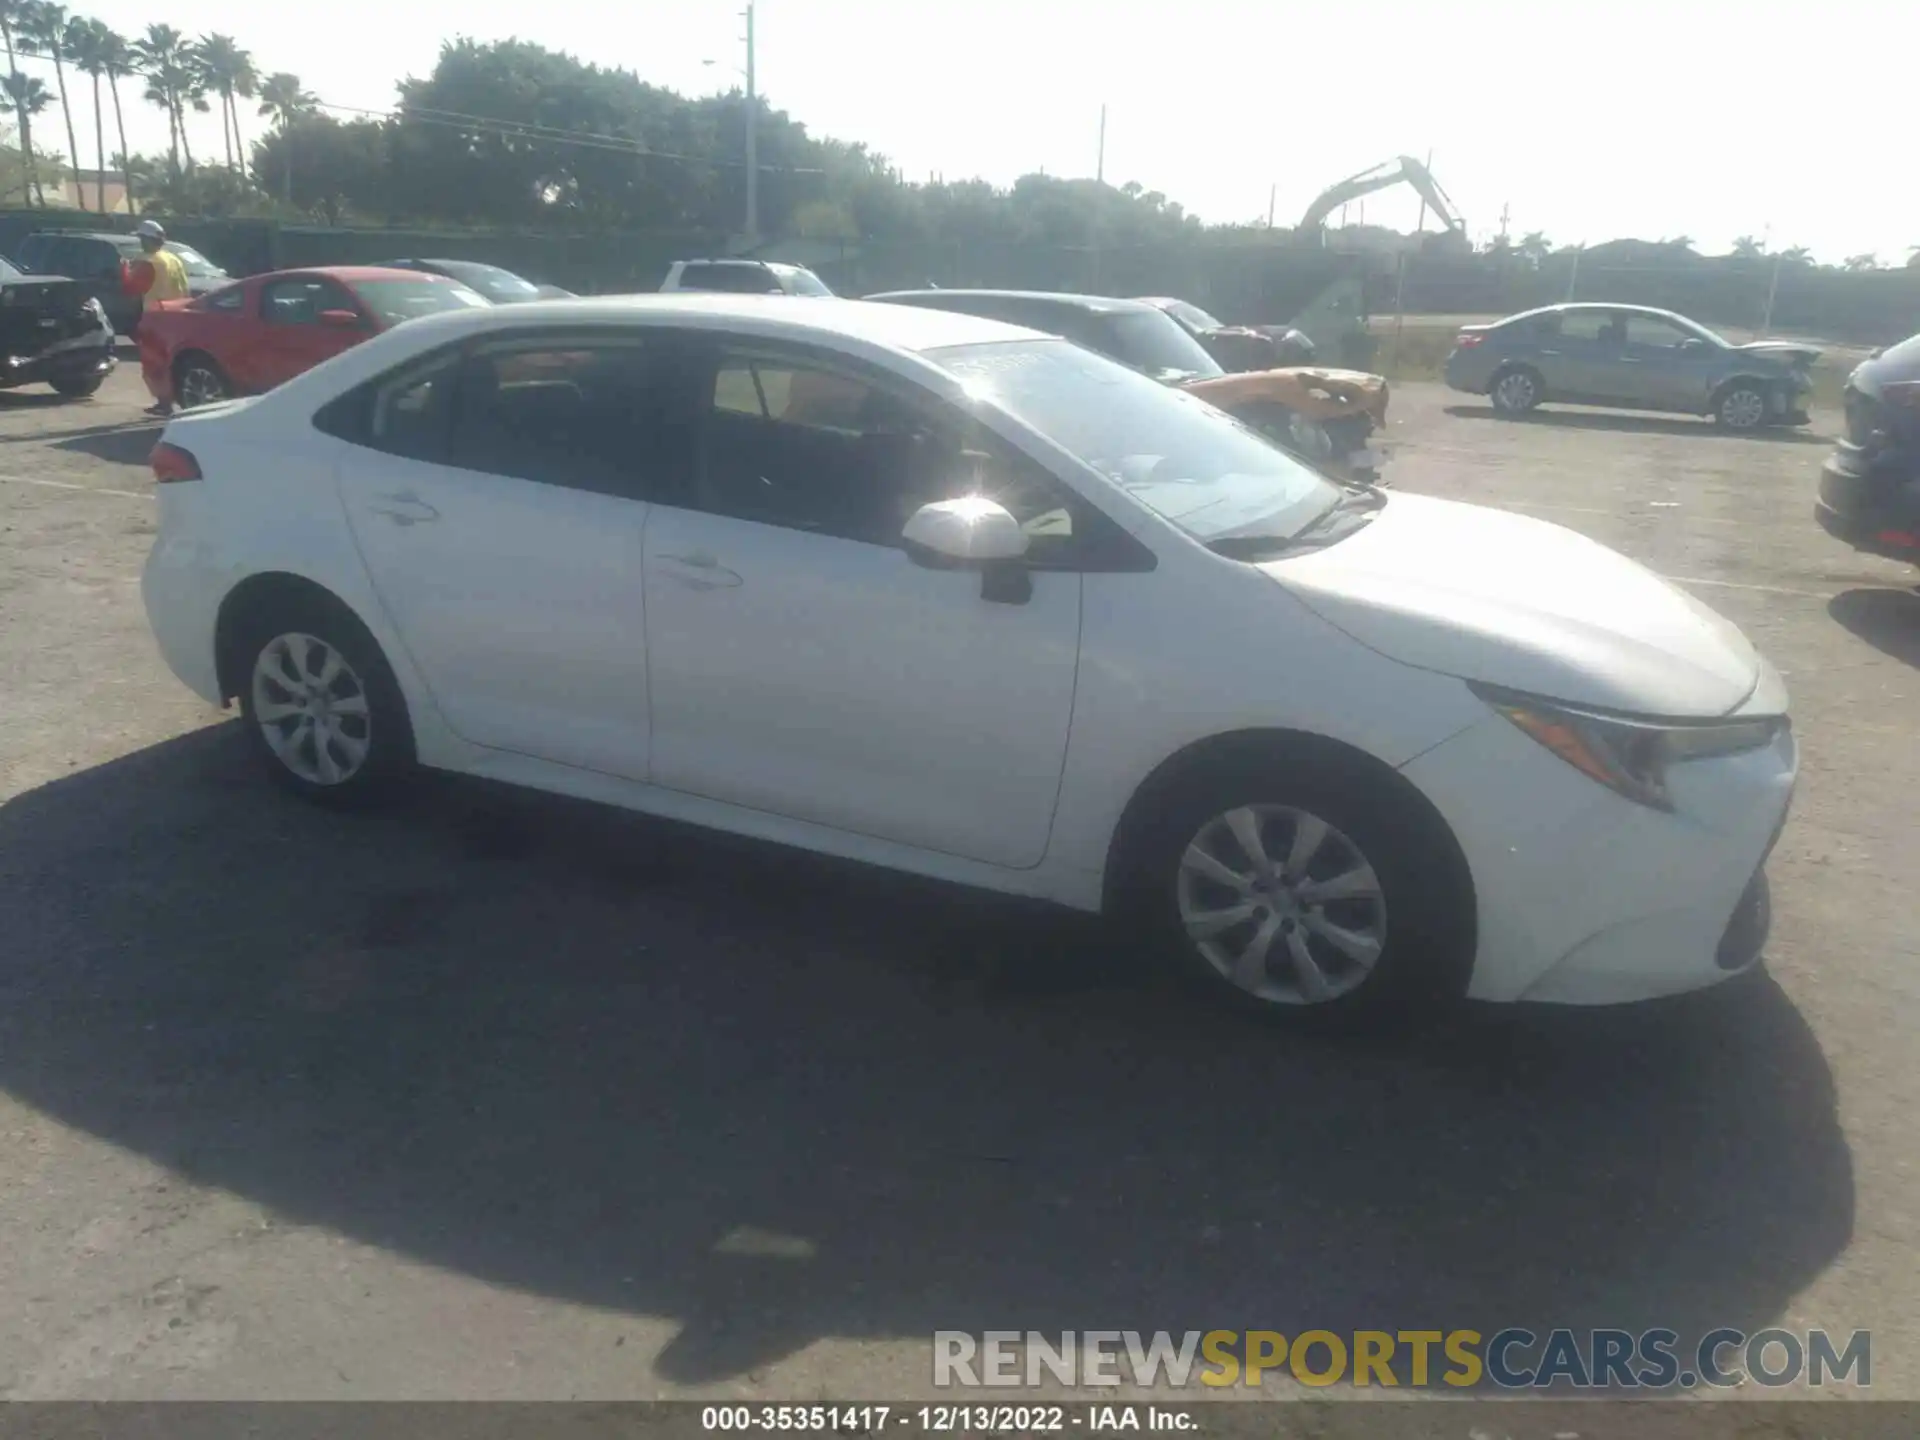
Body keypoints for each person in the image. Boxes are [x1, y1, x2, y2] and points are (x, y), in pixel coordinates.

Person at [125, 219, 190, 416]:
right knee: (172, 359)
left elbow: (132, 288)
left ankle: (164, 403)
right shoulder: (174, 260)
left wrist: (125, 270)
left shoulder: (148, 261)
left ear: (147, 239)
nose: (141, 242)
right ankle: (174, 399)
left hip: (155, 316)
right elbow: (185, 287)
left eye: (142, 238)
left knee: (154, 361)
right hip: (177, 314)